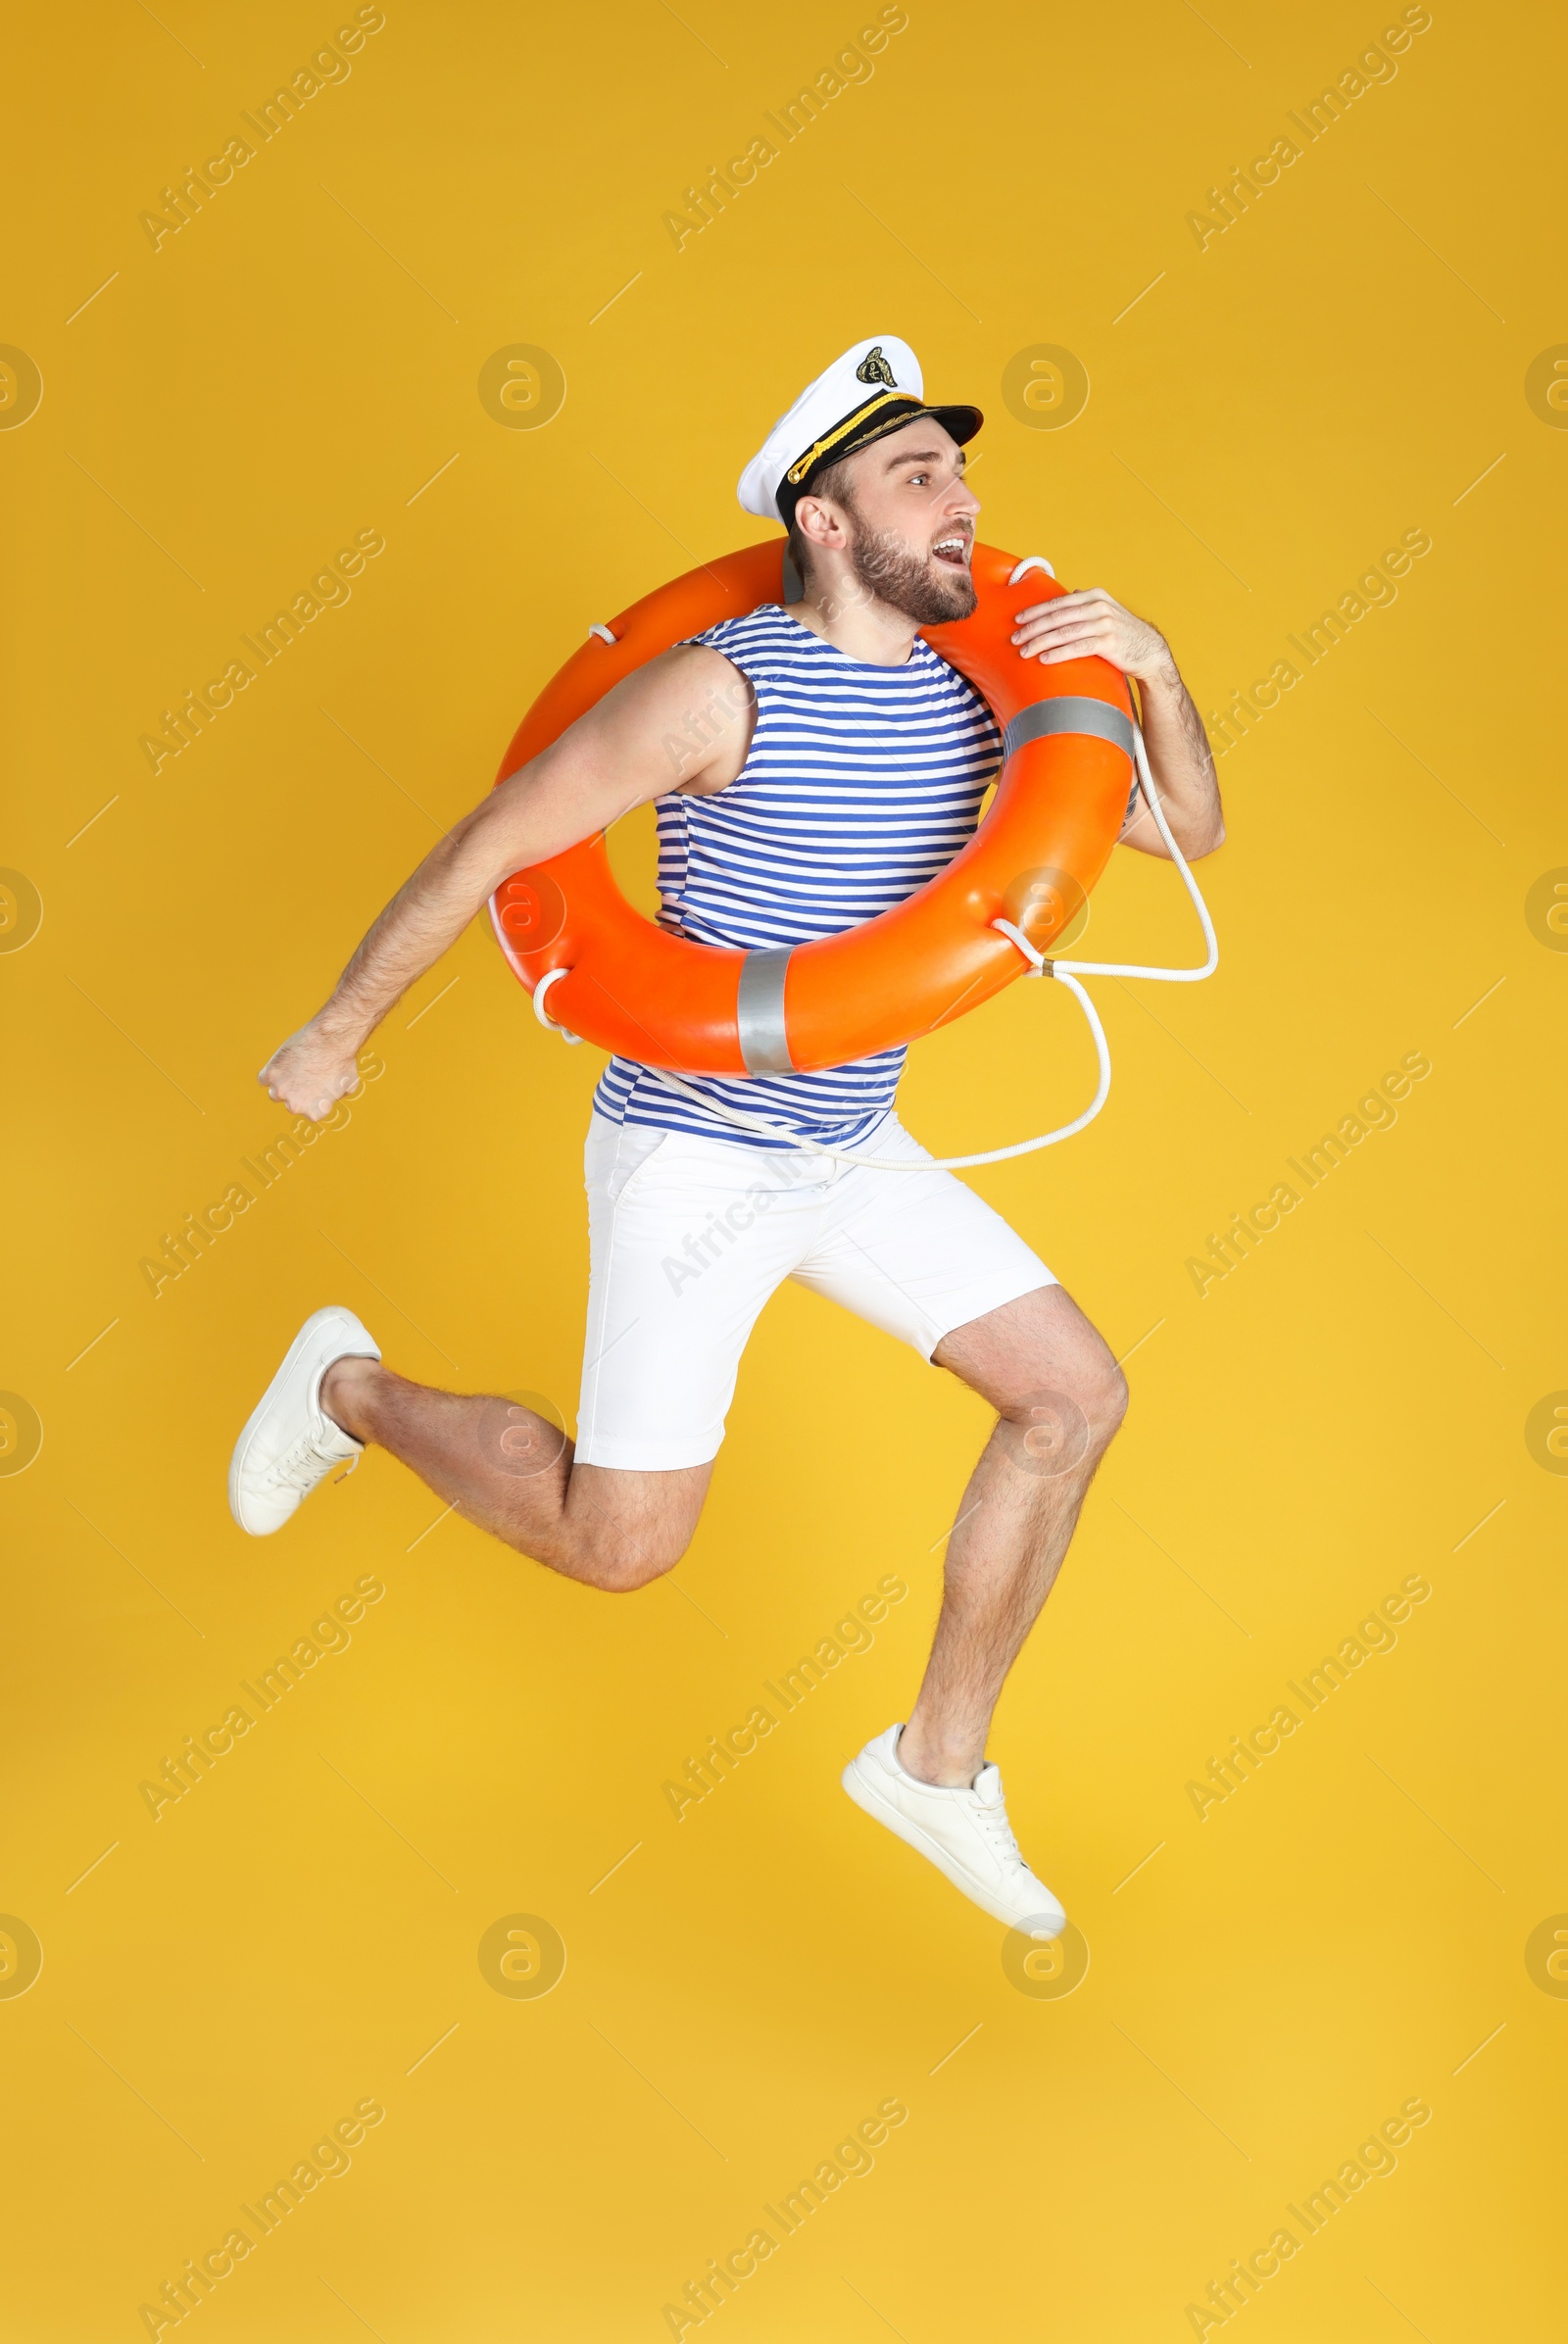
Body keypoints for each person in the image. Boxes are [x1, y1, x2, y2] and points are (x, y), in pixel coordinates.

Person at [230, 335, 1224, 1936]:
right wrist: (339, 1030)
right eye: (921, 478)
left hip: (846, 1141)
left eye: (963, 472)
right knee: (620, 1548)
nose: (964, 502)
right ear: (827, 521)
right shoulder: (718, 689)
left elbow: (1188, 832)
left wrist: (1161, 675)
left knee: (1072, 1398)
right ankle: (349, 1388)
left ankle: (935, 1764)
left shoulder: (993, 689)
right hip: (696, 1157)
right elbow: (498, 840)